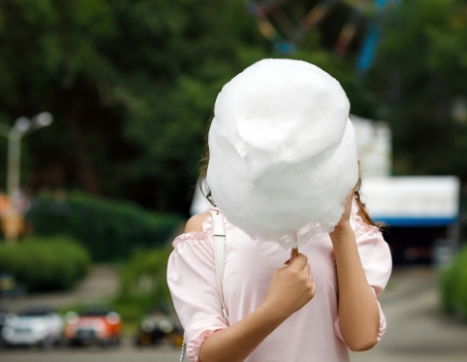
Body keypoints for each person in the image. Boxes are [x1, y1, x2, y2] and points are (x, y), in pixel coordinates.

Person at [167, 59, 392, 362]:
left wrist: (340, 229)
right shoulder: (210, 234)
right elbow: (207, 355)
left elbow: (362, 337)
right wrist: (277, 308)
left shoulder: (353, 233)